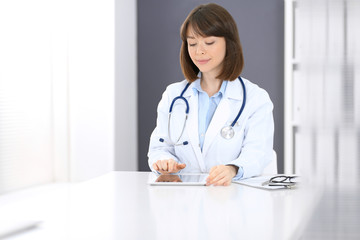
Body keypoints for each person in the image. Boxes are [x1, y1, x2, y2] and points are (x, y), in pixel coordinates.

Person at [147, 3, 274, 186]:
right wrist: (165, 162)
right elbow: (160, 147)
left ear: (229, 43)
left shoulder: (256, 99)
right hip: (183, 201)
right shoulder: (173, 96)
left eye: (209, 42)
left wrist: (232, 169)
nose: (199, 51)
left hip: (232, 200)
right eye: (192, 43)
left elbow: (258, 154)